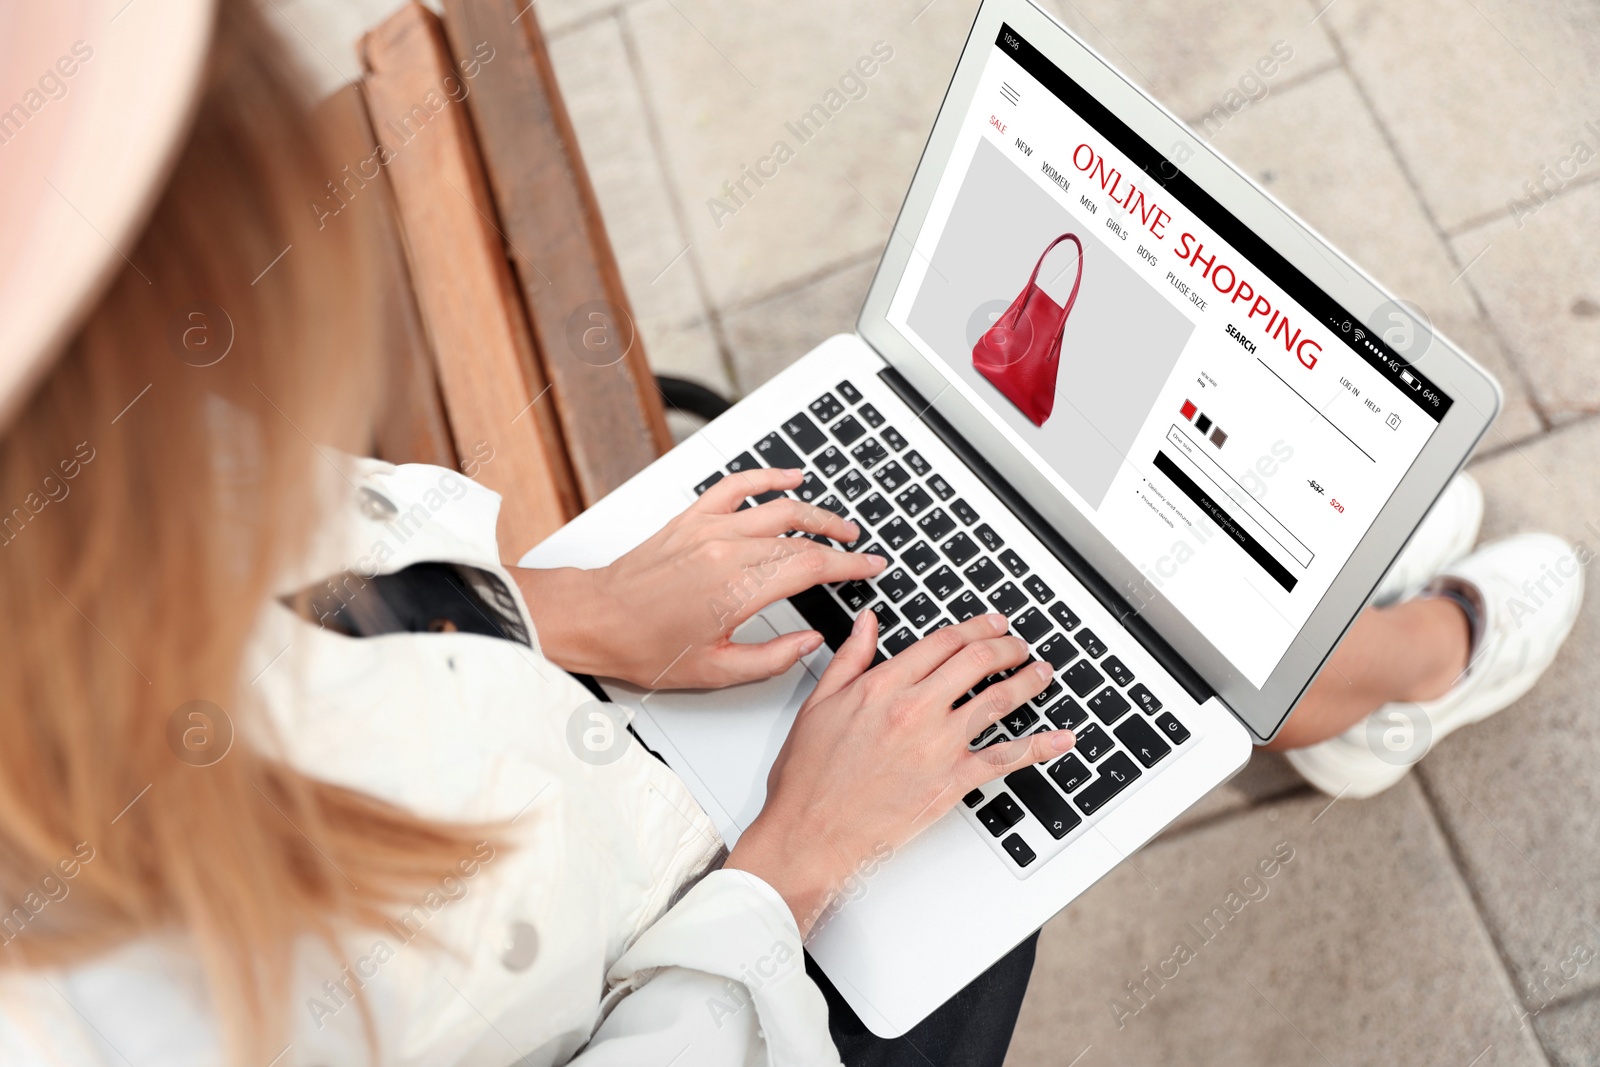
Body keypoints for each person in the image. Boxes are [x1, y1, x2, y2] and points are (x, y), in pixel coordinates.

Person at [0, 2, 1578, 1065]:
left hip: (563, 731)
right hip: (745, 979)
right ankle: (1349, 660)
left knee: (993, 549)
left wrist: (555, 611)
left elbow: (245, 575)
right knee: (1062, 694)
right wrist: (797, 864)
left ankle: (1277, 583)